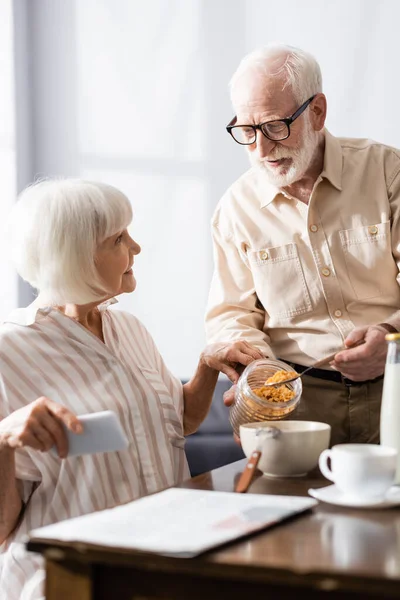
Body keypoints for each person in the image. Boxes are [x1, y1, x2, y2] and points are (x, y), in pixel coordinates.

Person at [0, 178, 263, 600]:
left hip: (158, 567)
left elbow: (178, 423)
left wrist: (205, 365)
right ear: (77, 256)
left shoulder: (128, 328)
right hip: (72, 582)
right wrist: (3, 441)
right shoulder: (9, 353)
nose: (136, 248)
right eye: (119, 238)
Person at [205, 43, 400, 447]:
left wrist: (392, 335)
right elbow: (232, 314)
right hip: (298, 404)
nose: (261, 149)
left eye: (275, 126)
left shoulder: (387, 172)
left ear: (317, 111)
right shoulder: (235, 208)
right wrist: (254, 372)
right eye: (247, 130)